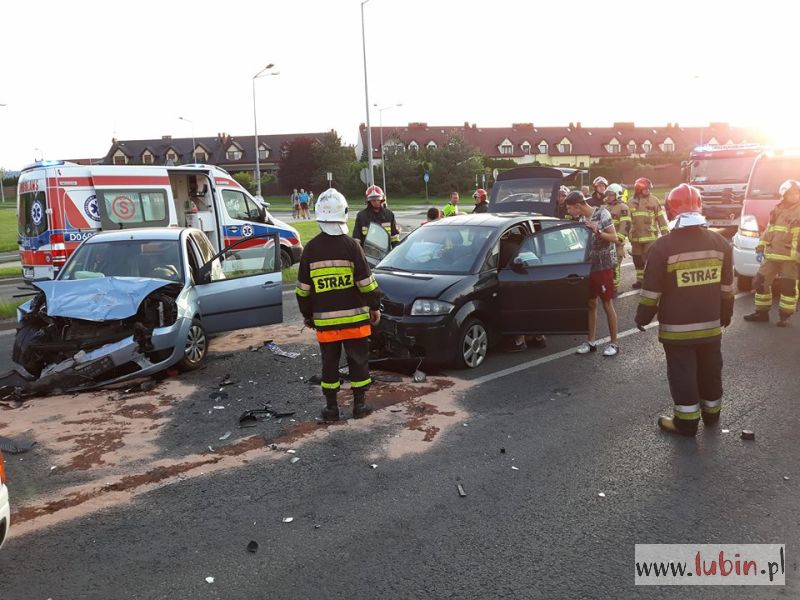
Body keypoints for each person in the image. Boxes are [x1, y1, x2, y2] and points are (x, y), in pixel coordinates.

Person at [635, 184, 734, 436]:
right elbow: (727, 288)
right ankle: (712, 415)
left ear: (670, 210)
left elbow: (651, 293)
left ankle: (686, 423)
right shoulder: (721, 243)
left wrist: (642, 318)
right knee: (711, 369)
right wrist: (726, 314)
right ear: (700, 208)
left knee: (683, 373)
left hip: (677, 331)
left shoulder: (662, 247)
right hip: (711, 326)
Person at [295, 188, 382, 421]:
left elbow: (303, 290)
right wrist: (375, 306)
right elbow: (366, 283)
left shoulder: (310, 249)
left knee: (330, 365)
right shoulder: (352, 247)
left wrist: (307, 315)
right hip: (355, 321)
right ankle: (359, 406)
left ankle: (331, 409)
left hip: (326, 323)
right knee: (358, 362)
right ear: (343, 213)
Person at [566, 191, 620, 356]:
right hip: (589, 266)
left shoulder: (602, 213)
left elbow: (614, 237)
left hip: (604, 266)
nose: (568, 211)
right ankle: (591, 342)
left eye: (569, 208)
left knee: (607, 303)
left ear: (578, 205)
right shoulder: (581, 219)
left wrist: (597, 231)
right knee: (590, 304)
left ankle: (614, 343)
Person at [743, 179, 800, 326]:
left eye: (797, 193)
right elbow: (769, 231)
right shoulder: (776, 210)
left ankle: (784, 317)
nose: (795, 196)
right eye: (791, 194)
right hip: (771, 255)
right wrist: (760, 248)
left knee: (788, 287)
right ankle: (761, 313)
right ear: (784, 195)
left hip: (791, 257)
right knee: (760, 282)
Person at [629, 177, 669, 289]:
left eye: (648, 189)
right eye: (645, 189)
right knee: (637, 261)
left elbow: (661, 218)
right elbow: (626, 220)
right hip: (635, 237)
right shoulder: (630, 202)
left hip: (650, 236)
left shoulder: (654, 200)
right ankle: (640, 281)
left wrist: (666, 234)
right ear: (638, 189)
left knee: (650, 261)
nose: (648, 191)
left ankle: (651, 280)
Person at [604, 183, 631, 291]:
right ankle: (608, 287)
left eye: (611, 194)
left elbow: (626, 225)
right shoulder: (606, 207)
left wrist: (619, 238)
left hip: (616, 243)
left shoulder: (623, 207)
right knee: (608, 267)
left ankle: (614, 289)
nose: (608, 197)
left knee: (615, 267)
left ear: (618, 195)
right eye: (608, 194)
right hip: (607, 242)